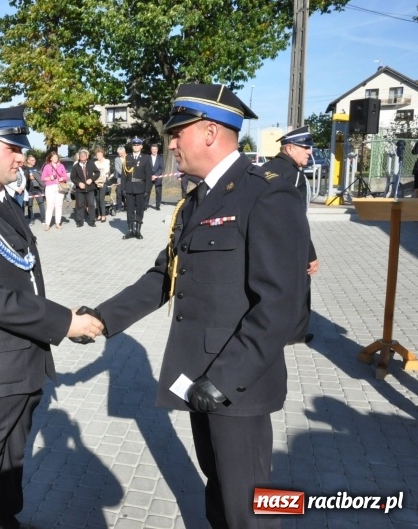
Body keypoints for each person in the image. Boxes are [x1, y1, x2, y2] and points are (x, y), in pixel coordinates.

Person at [90, 84, 309, 529]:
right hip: (199, 377)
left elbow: (280, 303)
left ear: (210, 132)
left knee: (250, 507)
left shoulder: (266, 191)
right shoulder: (197, 200)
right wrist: (100, 319)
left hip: (238, 384)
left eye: (178, 132)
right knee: (219, 492)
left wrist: (224, 380)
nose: (171, 143)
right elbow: (163, 277)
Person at [0, 106, 103, 529]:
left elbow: (22, 275)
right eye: (13, 147)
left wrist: (58, 318)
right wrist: (61, 322)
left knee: (10, 469)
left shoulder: (4, 200)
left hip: (24, 368)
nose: (22, 157)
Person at [263, 126, 320, 345]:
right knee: (298, 288)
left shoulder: (266, 168)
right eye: (305, 147)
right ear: (289, 148)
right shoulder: (294, 176)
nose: (309, 152)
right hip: (288, 245)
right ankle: (295, 334)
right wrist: (310, 254)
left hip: (265, 241)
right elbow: (297, 220)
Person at [122, 137, 153, 239]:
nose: (136, 147)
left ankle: (138, 230)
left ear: (141, 146)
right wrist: (123, 189)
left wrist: (147, 190)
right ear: (132, 146)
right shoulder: (127, 157)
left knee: (140, 209)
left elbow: (148, 175)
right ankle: (130, 230)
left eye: (138, 145)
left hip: (140, 187)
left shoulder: (145, 158)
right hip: (129, 187)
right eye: (134, 145)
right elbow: (124, 175)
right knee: (130, 209)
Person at [70, 148, 99, 227]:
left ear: (87, 156)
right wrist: (78, 183)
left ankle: (92, 221)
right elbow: (72, 177)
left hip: (90, 188)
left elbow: (97, 173)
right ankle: (80, 222)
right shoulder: (76, 166)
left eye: (84, 156)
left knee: (91, 204)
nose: (82, 158)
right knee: (80, 205)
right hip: (80, 189)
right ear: (79, 157)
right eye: (81, 156)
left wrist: (91, 179)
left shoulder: (91, 164)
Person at [41, 152, 68, 231]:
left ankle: (58, 223)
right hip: (50, 187)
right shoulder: (47, 166)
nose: (56, 159)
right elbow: (43, 178)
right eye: (54, 157)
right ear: (50, 158)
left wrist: (62, 178)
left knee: (59, 206)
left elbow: (65, 176)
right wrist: (50, 178)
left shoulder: (61, 166)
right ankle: (47, 224)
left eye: (56, 157)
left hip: (59, 187)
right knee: (50, 206)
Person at [23, 155, 45, 225]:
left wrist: (35, 177)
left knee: (41, 204)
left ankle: (43, 219)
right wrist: (29, 177)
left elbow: (41, 176)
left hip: (38, 189)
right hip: (29, 189)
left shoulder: (37, 167)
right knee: (30, 205)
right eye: (32, 160)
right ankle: (31, 219)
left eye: (34, 160)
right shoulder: (25, 168)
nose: (34, 162)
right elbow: (24, 178)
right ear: (28, 161)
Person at [93, 147, 111, 222]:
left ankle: (104, 215)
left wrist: (101, 174)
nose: (98, 156)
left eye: (100, 154)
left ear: (102, 154)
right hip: (96, 181)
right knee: (97, 198)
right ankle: (99, 214)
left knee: (101, 198)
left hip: (103, 181)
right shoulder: (95, 163)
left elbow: (106, 171)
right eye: (97, 155)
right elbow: (94, 172)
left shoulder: (106, 161)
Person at [147, 143, 165, 210]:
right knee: (147, 191)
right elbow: (146, 168)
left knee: (158, 192)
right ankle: (145, 205)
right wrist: (150, 175)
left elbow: (161, 168)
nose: (154, 151)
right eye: (152, 149)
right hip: (149, 177)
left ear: (157, 150)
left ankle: (157, 206)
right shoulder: (147, 158)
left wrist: (156, 175)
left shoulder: (160, 158)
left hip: (158, 178)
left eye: (155, 149)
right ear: (151, 150)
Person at [113, 145, 126, 212]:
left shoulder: (129, 157)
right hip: (120, 179)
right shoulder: (117, 159)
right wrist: (124, 174)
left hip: (128, 179)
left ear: (124, 152)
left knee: (127, 193)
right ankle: (119, 207)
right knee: (118, 193)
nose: (119, 154)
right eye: (119, 153)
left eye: (120, 153)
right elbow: (117, 168)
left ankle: (127, 206)